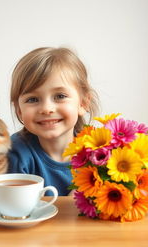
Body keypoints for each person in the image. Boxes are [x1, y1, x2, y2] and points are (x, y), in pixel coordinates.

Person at [8, 47, 99, 196]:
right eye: (33, 99)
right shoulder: (16, 153)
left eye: (60, 96)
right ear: (19, 110)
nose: (46, 109)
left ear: (83, 103)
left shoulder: (100, 153)